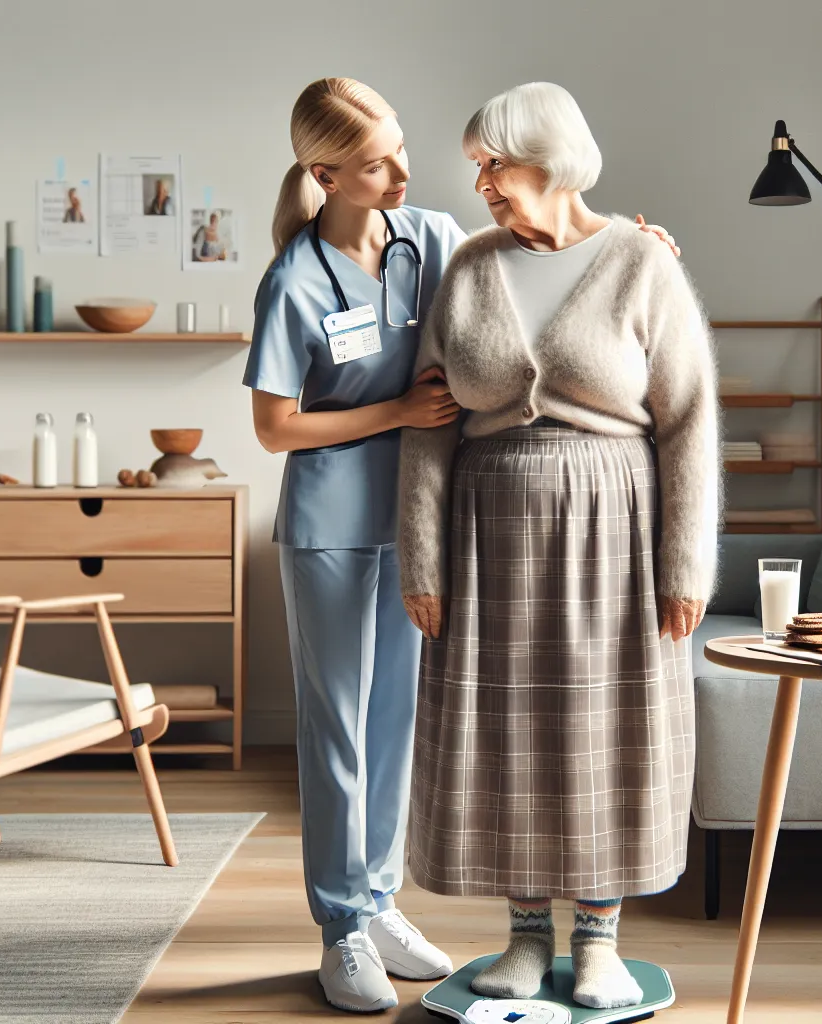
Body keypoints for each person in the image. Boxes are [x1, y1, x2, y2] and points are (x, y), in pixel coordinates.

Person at [243, 77, 679, 1015]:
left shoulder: (433, 239)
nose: (403, 172)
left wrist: (638, 249)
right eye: (375, 163)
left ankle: (383, 898)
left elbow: (539, 259)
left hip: (420, 521)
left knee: (399, 723)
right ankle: (341, 927)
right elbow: (275, 428)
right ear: (324, 175)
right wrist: (394, 411)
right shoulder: (294, 279)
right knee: (338, 733)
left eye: (401, 149)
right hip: (329, 528)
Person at [397, 81, 719, 1011]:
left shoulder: (640, 262)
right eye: (479, 169)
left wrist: (685, 563)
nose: (485, 184)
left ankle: (603, 936)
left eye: (497, 164)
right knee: (506, 734)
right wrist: (422, 559)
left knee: (605, 732)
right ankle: (527, 936)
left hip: (614, 531)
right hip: (488, 533)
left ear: (554, 157)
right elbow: (430, 428)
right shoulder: (467, 267)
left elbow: (689, 422)